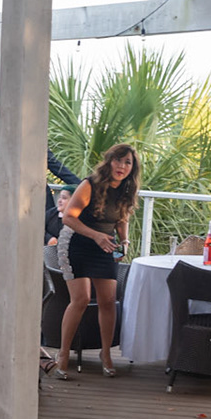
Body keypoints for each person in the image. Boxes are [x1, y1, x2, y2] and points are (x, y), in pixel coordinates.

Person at [51, 144, 138, 380]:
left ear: (132, 168)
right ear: (109, 161)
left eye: (127, 162)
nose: (122, 166)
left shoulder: (126, 189)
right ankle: (63, 354)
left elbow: (121, 219)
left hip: (105, 246)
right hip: (78, 243)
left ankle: (106, 354)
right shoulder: (90, 184)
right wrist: (96, 236)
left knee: (108, 301)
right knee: (80, 299)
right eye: (118, 160)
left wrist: (124, 241)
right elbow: (68, 218)